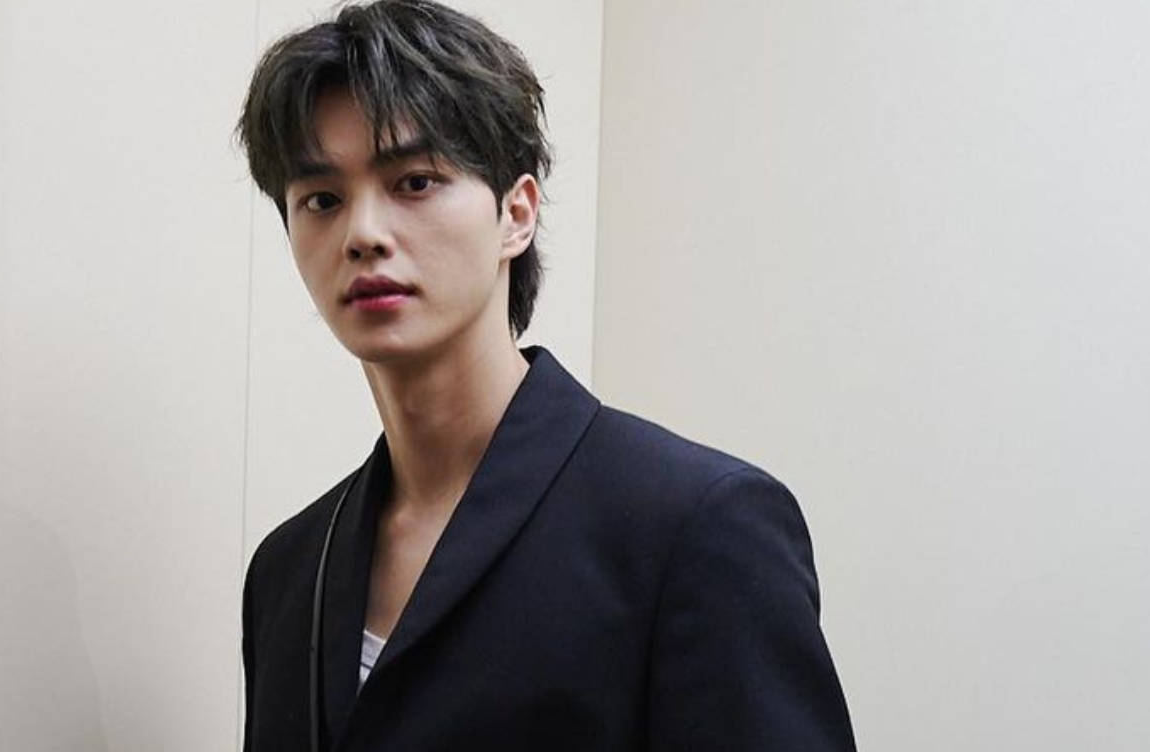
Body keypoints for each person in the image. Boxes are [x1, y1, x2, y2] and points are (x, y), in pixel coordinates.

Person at [234, 2, 856, 750]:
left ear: (516, 214)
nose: (363, 234)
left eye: (416, 181)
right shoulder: (289, 570)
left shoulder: (693, 526)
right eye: (322, 200)